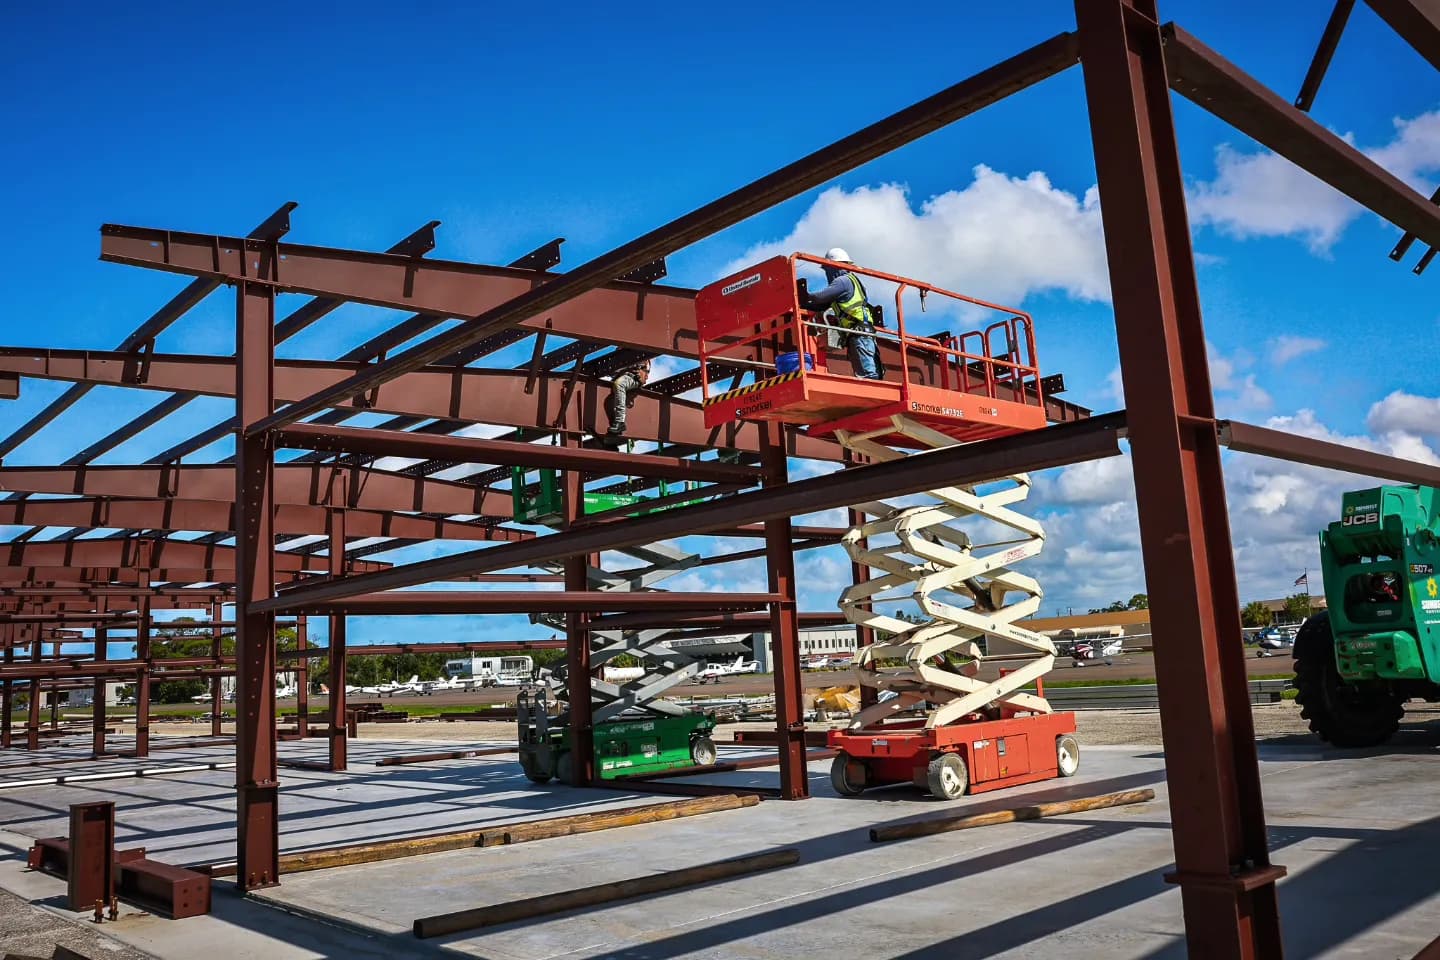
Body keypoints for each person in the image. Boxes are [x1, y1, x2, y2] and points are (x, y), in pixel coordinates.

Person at [801, 247, 883, 380]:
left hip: (859, 333)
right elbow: (823, 303)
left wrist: (803, 296)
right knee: (866, 373)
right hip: (860, 333)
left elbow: (820, 297)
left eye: (827, 269)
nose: (827, 273)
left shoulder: (842, 281)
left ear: (833, 266)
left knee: (868, 376)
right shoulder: (851, 281)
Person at [603, 358, 651, 444]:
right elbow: (614, 370)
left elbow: (642, 366)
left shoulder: (639, 351)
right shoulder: (620, 351)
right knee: (609, 390)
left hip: (633, 378)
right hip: (623, 377)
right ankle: (612, 433)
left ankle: (620, 422)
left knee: (620, 384)